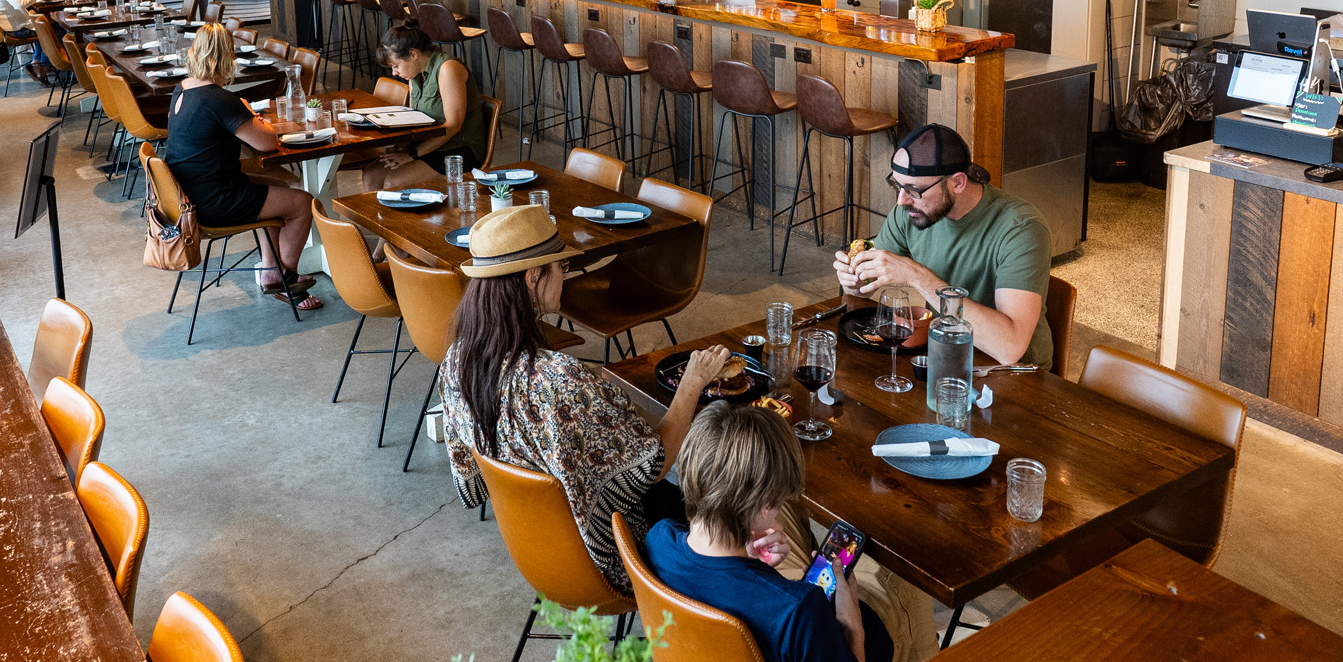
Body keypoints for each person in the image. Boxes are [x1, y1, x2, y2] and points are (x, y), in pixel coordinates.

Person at [441, 204, 731, 594]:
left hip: (540, 550)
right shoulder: (559, 381)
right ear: (532, 278)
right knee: (727, 492)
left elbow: (472, 485)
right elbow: (656, 462)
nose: (566, 275)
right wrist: (693, 382)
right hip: (612, 556)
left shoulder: (456, 360)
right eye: (561, 266)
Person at [645, 405, 894, 662]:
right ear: (765, 506)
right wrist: (852, 627)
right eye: (781, 502)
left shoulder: (658, 539)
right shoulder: (800, 611)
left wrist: (754, 565)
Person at [833, 124, 1053, 368]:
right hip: (943, 354)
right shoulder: (910, 211)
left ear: (957, 182)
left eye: (915, 190)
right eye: (897, 186)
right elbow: (860, 291)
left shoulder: (1021, 229)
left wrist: (918, 277)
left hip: (1014, 374)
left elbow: (1009, 348)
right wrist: (853, 279)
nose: (901, 200)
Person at [161, 23, 318, 309]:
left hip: (186, 197)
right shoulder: (221, 99)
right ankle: (287, 278)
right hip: (213, 202)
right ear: (226, 59)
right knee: (303, 203)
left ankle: (271, 271)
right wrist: (246, 112)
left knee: (277, 188)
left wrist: (240, 112)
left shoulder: (181, 89)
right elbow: (267, 142)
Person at [358, 18, 488, 193]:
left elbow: (453, 125)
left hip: (458, 150)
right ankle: (374, 221)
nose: (394, 73)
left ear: (413, 55)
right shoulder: (414, 74)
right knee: (371, 175)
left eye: (396, 66)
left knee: (394, 182)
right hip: (428, 144)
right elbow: (416, 119)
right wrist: (403, 146)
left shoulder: (448, 68)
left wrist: (412, 155)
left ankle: (398, 220)